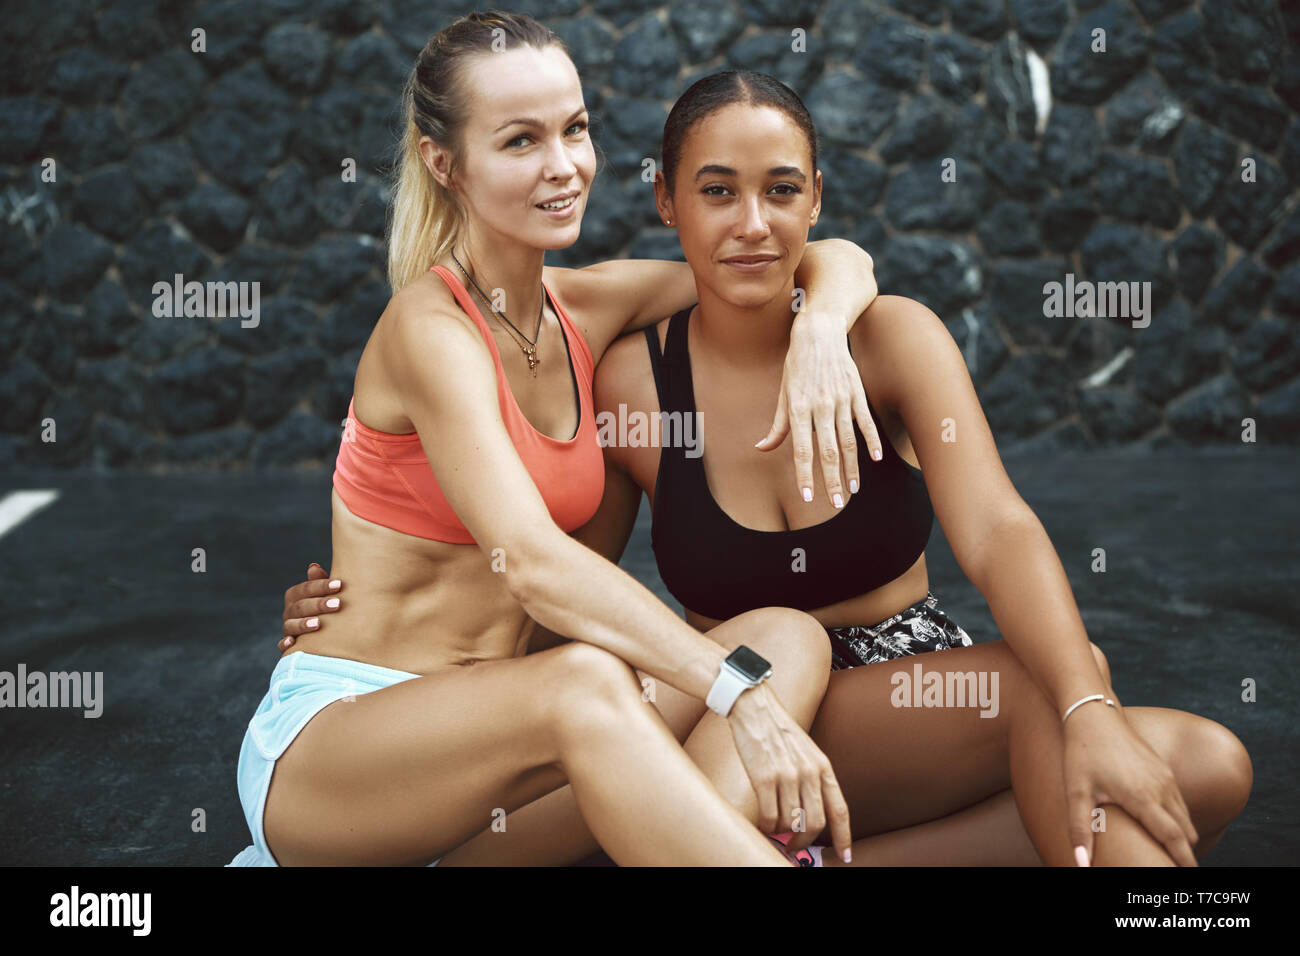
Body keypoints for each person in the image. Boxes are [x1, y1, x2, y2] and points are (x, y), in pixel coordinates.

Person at [286, 68, 1254, 868]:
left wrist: (826, 323)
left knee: (1196, 756)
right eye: (715, 191)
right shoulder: (630, 377)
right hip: (752, 702)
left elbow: (997, 528)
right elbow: (554, 578)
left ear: (816, 199)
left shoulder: (890, 338)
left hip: (914, 687)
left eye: (780, 190)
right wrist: (384, 632)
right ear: (666, 201)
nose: (751, 223)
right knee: (1061, 694)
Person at [230, 11, 888, 867]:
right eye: (520, 141)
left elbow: (797, 258)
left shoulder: (587, 310)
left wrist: (823, 329)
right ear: (445, 163)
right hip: (345, 758)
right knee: (599, 681)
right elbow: (532, 562)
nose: (564, 165)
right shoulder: (429, 330)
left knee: (784, 637)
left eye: (574, 129)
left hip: (505, 774)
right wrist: (737, 698)